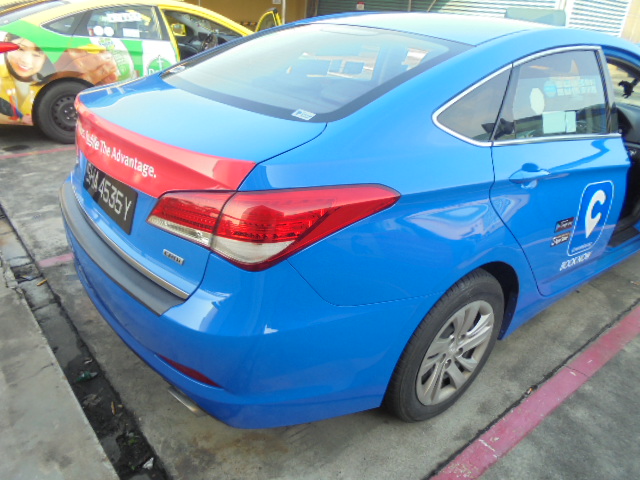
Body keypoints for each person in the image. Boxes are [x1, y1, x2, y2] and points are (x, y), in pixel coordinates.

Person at [0, 33, 52, 124]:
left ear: (46, 58)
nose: (26, 60)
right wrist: (18, 121)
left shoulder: (52, 87)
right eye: (20, 49)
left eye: (36, 55)